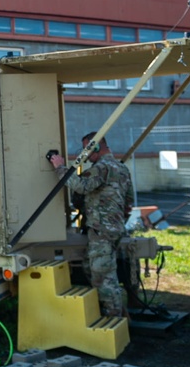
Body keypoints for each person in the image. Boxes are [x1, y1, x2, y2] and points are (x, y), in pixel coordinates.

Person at [50, 133, 133, 318]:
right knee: (95, 269)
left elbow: (81, 187)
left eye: (87, 150)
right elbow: (129, 202)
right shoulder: (121, 168)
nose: (85, 155)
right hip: (115, 229)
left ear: (95, 148)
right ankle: (120, 311)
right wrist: (116, 222)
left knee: (103, 277)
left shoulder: (100, 168)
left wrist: (60, 168)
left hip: (102, 231)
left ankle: (115, 319)